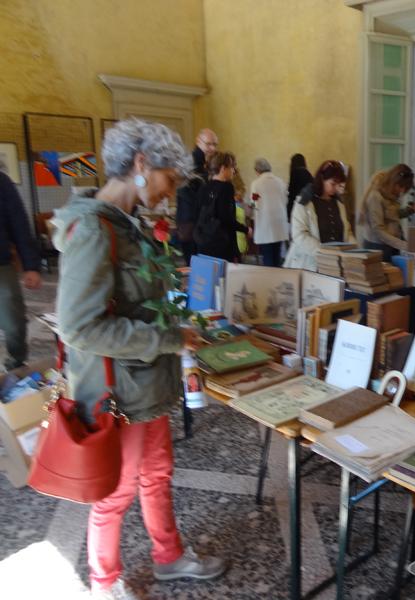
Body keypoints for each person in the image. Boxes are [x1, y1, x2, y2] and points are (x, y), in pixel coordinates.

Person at [50, 118, 225, 600]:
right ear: (142, 164)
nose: (170, 192)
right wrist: (167, 337)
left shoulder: (128, 225)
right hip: (118, 393)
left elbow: (134, 299)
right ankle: (104, 583)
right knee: (116, 492)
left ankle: (168, 558)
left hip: (146, 385)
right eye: (169, 179)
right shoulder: (93, 229)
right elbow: (79, 327)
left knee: (157, 475)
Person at [0, 171, 41, 370]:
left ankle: (16, 366)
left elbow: (19, 223)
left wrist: (31, 266)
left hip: (2, 266)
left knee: (14, 324)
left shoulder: (1, 181)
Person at [283, 160, 356, 271]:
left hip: (336, 264)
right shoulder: (304, 202)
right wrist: (324, 251)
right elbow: (299, 235)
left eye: (339, 185)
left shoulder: (339, 203)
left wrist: (354, 250)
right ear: (322, 179)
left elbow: (347, 231)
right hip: (310, 264)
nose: (336, 188)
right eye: (333, 184)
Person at [194, 152, 250, 262]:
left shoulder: (203, 187)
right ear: (223, 168)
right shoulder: (226, 187)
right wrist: (245, 229)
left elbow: (197, 214)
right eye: (232, 167)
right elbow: (227, 219)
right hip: (221, 243)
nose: (233, 171)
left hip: (204, 241)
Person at [357, 163, 415, 261]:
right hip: (377, 247)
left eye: (405, 189)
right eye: (400, 186)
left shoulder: (391, 195)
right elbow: (378, 230)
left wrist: (408, 211)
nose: (401, 191)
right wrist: (403, 245)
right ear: (394, 181)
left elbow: (392, 215)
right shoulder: (375, 196)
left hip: (391, 245)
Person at [175, 129, 218, 263]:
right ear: (198, 141)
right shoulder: (192, 162)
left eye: (215, 145)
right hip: (191, 221)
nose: (212, 148)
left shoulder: (202, 162)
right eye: (208, 144)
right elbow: (184, 190)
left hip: (194, 220)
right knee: (195, 262)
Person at [250, 157, 289, 266]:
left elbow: (254, 203)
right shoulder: (280, 182)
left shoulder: (256, 184)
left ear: (257, 170)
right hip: (279, 224)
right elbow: (285, 200)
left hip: (265, 225)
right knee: (277, 256)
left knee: (267, 257)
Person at [286, 153, 313, 221]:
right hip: (307, 205)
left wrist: (288, 211)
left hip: (296, 205)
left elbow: (291, 192)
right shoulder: (308, 173)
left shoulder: (294, 173)